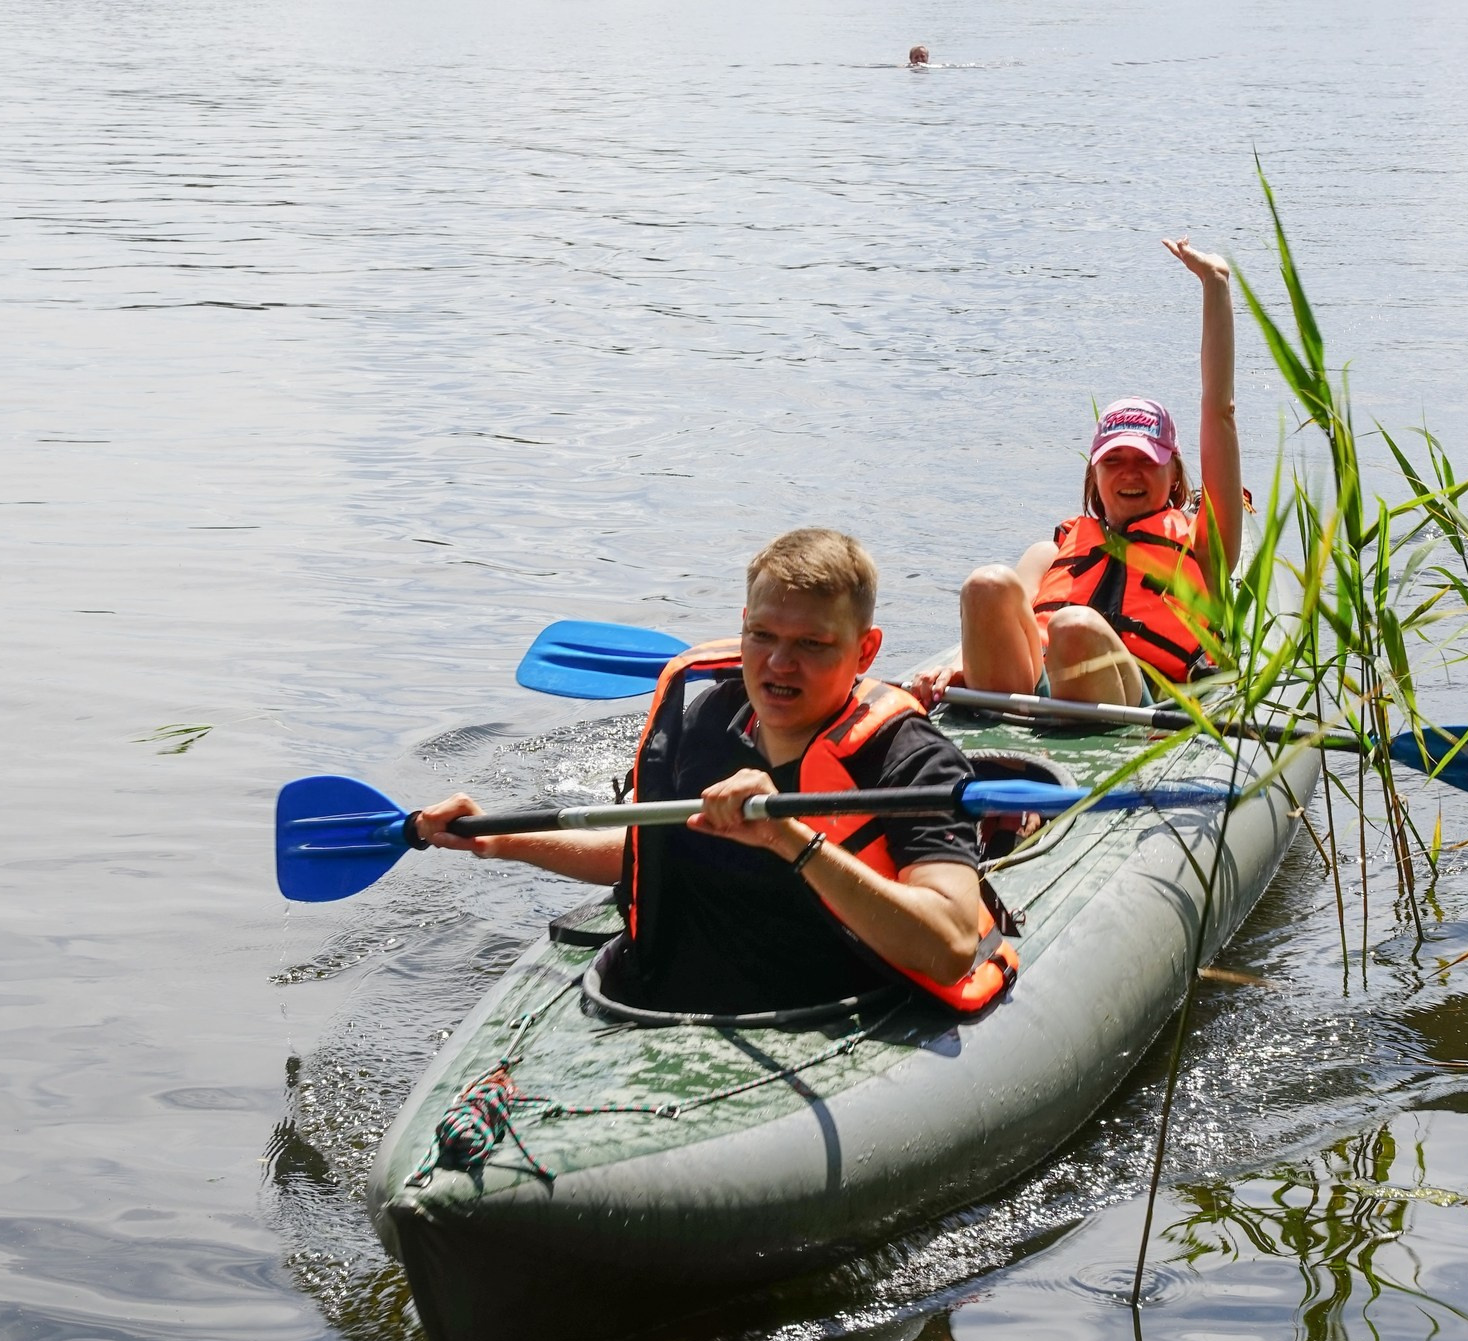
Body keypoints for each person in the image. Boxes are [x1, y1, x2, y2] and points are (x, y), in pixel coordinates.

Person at [413, 529, 1016, 1015]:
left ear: (864, 650)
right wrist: (498, 838)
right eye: (763, 635)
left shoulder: (911, 760)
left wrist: (791, 839)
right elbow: (647, 848)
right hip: (673, 1000)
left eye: (811, 644)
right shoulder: (706, 720)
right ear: (743, 626)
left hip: (836, 1004)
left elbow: (950, 944)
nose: (779, 663)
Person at [908, 238, 1242, 711]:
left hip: (1135, 701)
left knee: (1074, 627)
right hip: (1033, 695)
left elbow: (1220, 411)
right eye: (1114, 460)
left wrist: (1215, 285)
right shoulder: (1050, 554)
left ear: (1174, 478)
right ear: (1095, 476)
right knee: (986, 585)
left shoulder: (1205, 549)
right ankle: (987, 746)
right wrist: (957, 662)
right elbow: (1004, 622)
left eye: (1147, 460)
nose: (1130, 471)